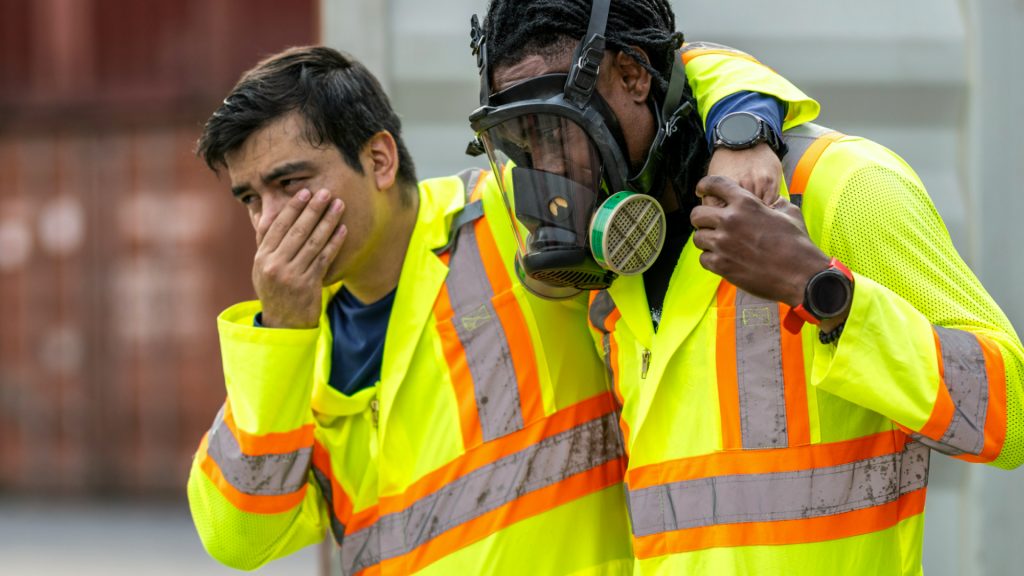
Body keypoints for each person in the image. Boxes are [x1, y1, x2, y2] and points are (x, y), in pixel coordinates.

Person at [185, 44, 819, 574]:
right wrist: (280, 332)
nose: (269, 223)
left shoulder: (512, 218)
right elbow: (239, 538)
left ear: (378, 159)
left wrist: (743, 127)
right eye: (251, 199)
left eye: (290, 184)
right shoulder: (290, 343)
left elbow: (652, 69)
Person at [469, 0, 1024, 575]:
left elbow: (1012, 416)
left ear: (632, 75)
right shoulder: (617, 270)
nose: (548, 170)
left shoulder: (842, 189)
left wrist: (818, 289)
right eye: (524, 145)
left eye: (555, 132)